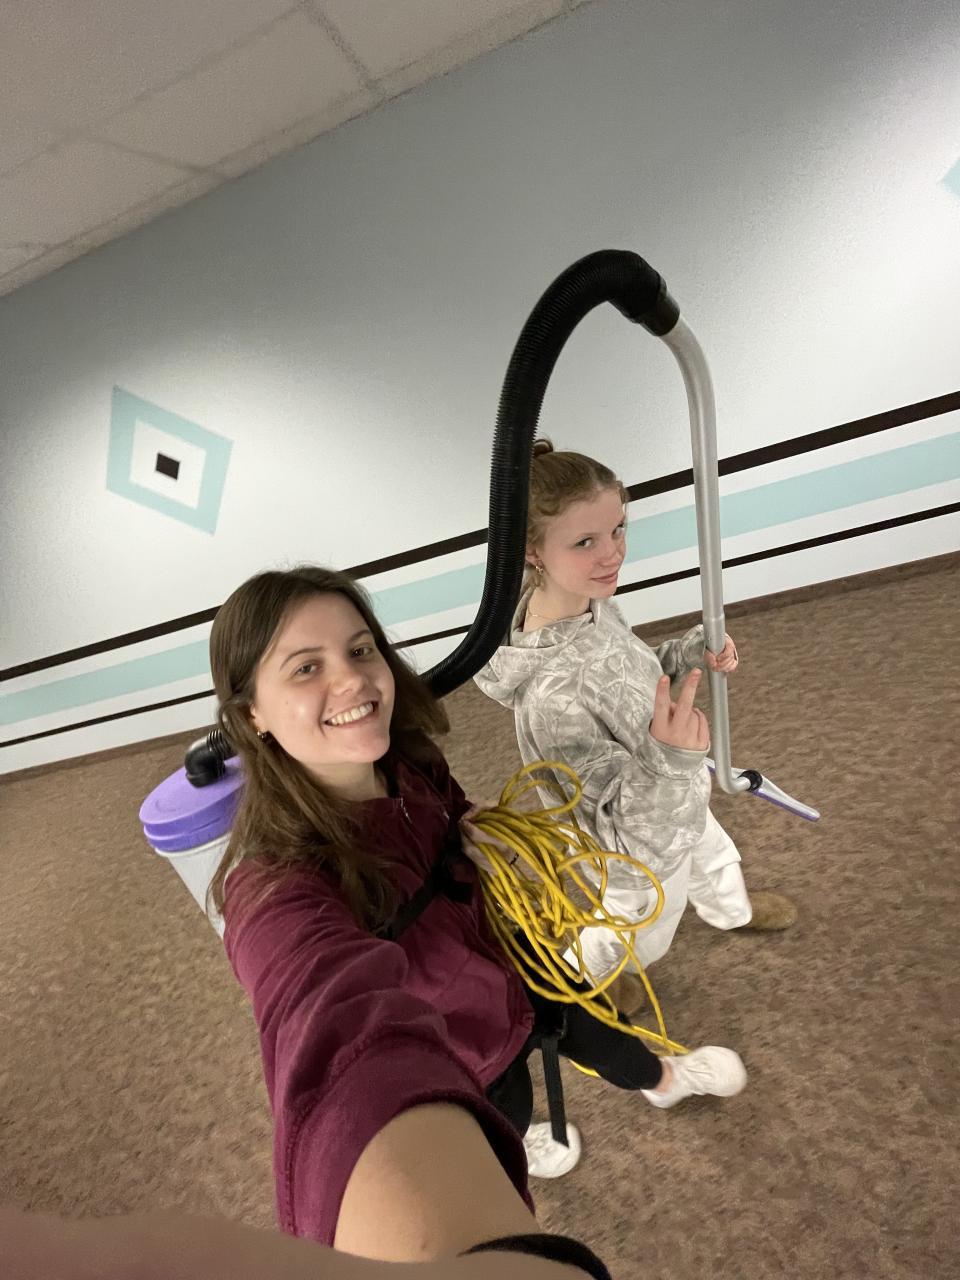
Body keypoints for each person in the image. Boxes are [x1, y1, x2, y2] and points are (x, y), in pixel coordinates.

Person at [475, 440, 796, 1002]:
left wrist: (690, 654)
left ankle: (732, 911)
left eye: (618, 528)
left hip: (673, 791)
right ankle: (588, 981)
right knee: (636, 922)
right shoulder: (552, 698)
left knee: (713, 855)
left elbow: (633, 672)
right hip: (632, 849)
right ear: (532, 552)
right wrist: (670, 762)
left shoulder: (589, 605)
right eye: (585, 541)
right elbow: (617, 829)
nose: (612, 554)